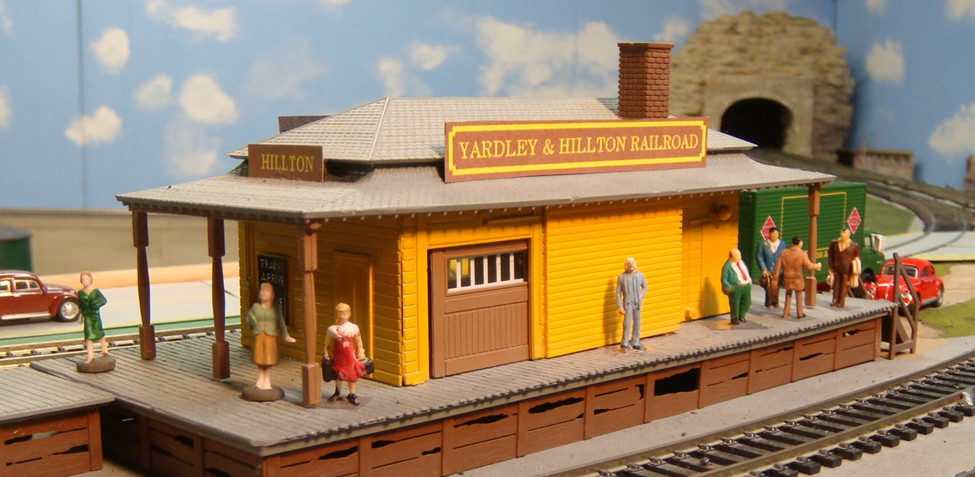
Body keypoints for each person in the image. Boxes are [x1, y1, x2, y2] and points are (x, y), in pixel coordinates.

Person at [246, 282, 296, 390]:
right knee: (259, 358)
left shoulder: (275, 308)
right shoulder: (256, 307)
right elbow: (248, 318)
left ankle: (267, 380)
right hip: (259, 335)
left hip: (270, 336)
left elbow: (281, 322)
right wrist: (252, 319)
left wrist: (286, 335)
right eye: (262, 290)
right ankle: (260, 379)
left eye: (267, 291)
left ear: (272, 294)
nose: (264, 293)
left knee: (269, 359)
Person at [324, 303, 367, 405]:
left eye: (344, 314)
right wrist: (325, 353)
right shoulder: (332, 329)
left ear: (349, 314)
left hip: (349, 355)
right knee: (338, 374)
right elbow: (327, 343)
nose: (341, 316)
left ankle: (352, 394)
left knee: (351, 375)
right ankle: (337, 392)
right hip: (338, 355)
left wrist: (361, 352)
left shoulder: (353, 328)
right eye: (339, 314)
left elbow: (358, 341)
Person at [773, 236, 822, 319]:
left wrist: (775, 278)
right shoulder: (802, 254)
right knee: (798, 295)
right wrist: (817, 266)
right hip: (797, 278)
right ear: (800, 243)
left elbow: (777, 267)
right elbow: (809, 266)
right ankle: (800, 313)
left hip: (787, 278)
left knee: (788, 295)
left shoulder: (784, 252)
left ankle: (785, 313)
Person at [615, 257, 648, 351]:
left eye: (632, 263)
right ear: (626, 265)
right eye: (628, 264)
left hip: (637, 303)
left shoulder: (640, 275)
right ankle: (624, 343)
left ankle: (635, 342)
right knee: (627, 323)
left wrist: (640, 297)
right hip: (628, 304)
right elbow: (618, 293)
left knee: (637, 322)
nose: (630, 265)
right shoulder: (621, 277)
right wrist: (620, 306)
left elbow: (645, 287)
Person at [79, 271, 108, 364]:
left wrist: (96, 304)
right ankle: (90, 356)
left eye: (86, 279)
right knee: (88, 336)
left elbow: (103, 300)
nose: (85, 281)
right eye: (83, 279)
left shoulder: (95, 291)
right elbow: (81, 305)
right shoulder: (80, 293)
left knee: (99, 333)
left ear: (91, 279)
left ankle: (105, 351)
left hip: (95, 315)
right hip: (87, 316)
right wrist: (80, 315)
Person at [828, 226, 861, 308]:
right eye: (842, 233)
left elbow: (856, 256)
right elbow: (830, 255)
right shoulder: (834, 243)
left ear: (849, 234)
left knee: (843, 285)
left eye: (845, 233)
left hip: (846, 269)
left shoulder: (853, 245)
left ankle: (841, 301)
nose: (843, 235)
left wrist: (854, 268)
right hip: (836, 268)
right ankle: (835, 299)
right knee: (836, 284)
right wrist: (830, 267)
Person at [720, 249, 752, 326]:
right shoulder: (727, 266)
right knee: (735, 303)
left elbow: (746, 271)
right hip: (736, 287)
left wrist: (749, 280)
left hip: (746, 285)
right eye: (737, 256)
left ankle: (741, 315)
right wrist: (729, 287)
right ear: (731, 257)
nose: (739, 257)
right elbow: (723, 279)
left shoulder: (742, 263)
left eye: (739, 255)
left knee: (747, 301)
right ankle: (734, 318)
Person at [756, 227, 784, 308]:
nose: (775, 235)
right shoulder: (763, 244)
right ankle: (769, 302)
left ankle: (775, 301)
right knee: (768, 286)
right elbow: (759, 256)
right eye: (773, 233)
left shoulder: (782, 244)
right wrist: (763, 268)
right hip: (768, 269)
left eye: (776, 233)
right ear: (769, 234)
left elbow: (784, 255)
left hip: (778, 269)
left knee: (777, 286)